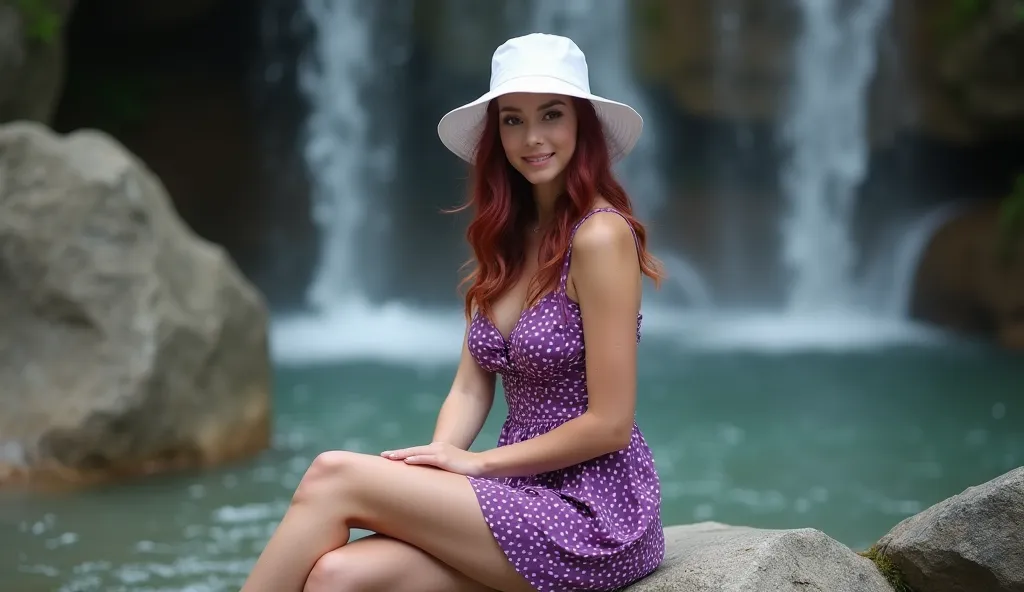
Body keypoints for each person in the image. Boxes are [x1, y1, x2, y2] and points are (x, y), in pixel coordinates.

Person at [239, 32, 666, 592]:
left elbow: (610, 425)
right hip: (520, 495)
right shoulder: (508, 241)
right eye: (512, 120)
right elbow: (470, 389)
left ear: (582, 125)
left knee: (332, 474)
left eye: (551, 115)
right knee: (336, 577)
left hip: (593, 514)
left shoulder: (601, 236)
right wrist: (442, 458)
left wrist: (477, 467)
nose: (532, 138)